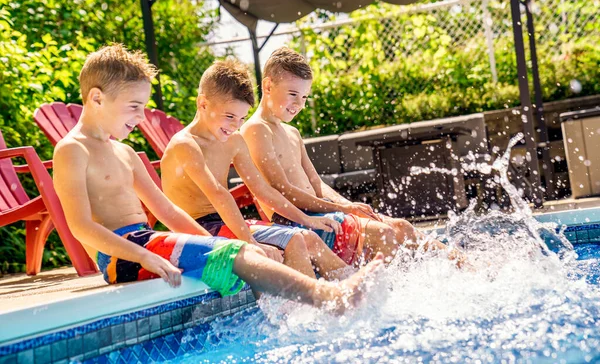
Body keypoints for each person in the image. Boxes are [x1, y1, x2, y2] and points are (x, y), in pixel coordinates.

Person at [52, 44, 383, 313]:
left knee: (239, 250)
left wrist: (219, 242)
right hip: (121, 255)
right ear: (96, 98)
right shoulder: (72, 151)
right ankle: (326, 297)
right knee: (240, 253)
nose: (140, 117)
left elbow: (167, 212)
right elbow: (80, 226)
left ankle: (304, 313)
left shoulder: (125, 154)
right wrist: (141, 255)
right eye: (135, 106)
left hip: (146, 239)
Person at [241, 47, 466, 265]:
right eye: (293, 94)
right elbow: (283, 190)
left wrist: (348, 204)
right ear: (268, 85)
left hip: (320, 210)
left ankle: (462, 264)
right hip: (297, 220)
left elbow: (316, 183)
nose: (299, 104)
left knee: (402, 227)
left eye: (304, 97)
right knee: (385, 234)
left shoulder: (292, 133)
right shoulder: (256, 129)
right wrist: (342, 209)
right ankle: (381, 294)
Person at [161, 59, 359, 279]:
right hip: (197, 229)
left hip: (224, 222)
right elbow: (219, 194)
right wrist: (249, 241)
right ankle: (307, 306)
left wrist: (307, 219)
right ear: (203, 103)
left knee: (308, 237)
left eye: (242, 118)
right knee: (295, 241)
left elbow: (263, 190)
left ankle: (350, 290)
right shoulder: (185, 144)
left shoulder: (233, 141)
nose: (236, 125)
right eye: (229, 116)